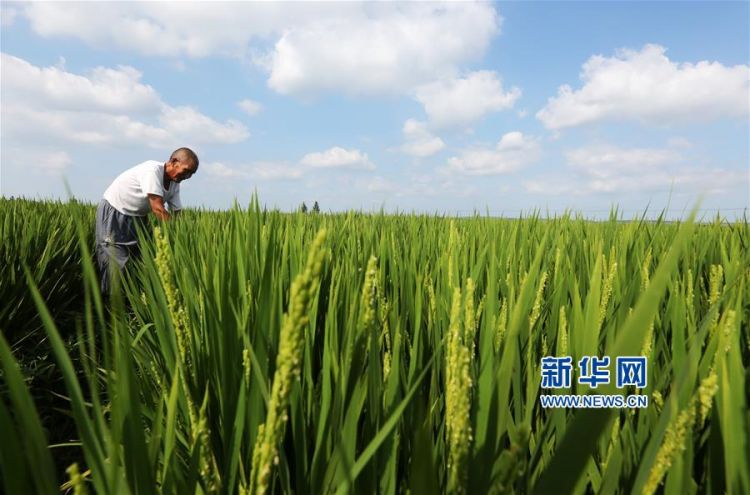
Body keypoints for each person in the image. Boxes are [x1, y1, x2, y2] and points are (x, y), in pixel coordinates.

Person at [95, 147, 199, 295]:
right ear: (174, 161)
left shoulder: (175, 184)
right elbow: (157, 208)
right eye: (186, 170)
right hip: (115, 211)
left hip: (138, 217)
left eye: (191, 174)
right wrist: (178, 236)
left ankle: (131, 304)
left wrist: (187, 236)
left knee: (139, 261)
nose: (187, 176)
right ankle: (109, 309)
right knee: (115, 263)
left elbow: (178, 214)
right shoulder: (152, 170)